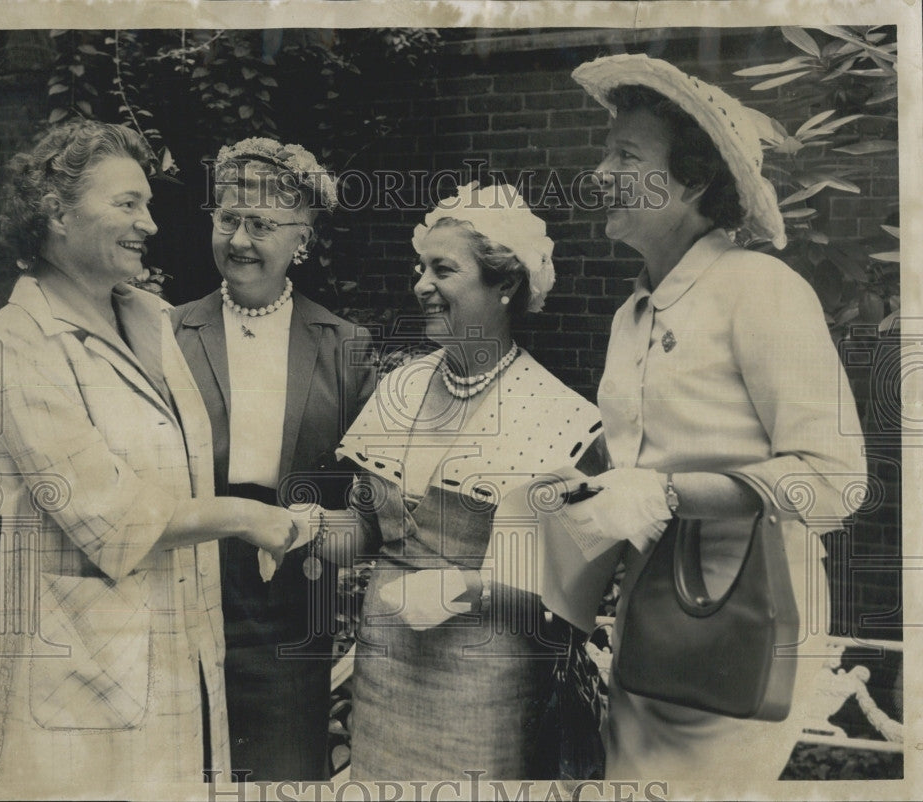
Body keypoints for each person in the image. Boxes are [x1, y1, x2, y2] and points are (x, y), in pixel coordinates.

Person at [563, 54, 868, 782]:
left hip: (742, 619)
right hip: (651, 623)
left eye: (625, 155)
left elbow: (834, 480)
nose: (599, 172)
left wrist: (670, 493)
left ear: (694, 180)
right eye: (606, 151)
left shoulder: (759, 288)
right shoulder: (632, 314)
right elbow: (634, 471)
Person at [0, 120, 297, 785]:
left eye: (147, 204)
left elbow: (183, 474)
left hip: (182, 655)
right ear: (55, 211)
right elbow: (112, 519)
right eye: (127, 203)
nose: (149, 224)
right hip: (81, 680)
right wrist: (247, 517)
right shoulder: (18, 341)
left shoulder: (152, 318)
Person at [308, 182, 605, 779]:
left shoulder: (561, 419)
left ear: (506, 285)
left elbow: (575, 598)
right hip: (383, 680)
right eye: (420, 268)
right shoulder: (400, 389)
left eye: (442, 269)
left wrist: (464, 591)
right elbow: (366, 529)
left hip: (486, 692)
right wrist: (305, 530)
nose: (421, 285)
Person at [171, 137, 376, 780]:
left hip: (293, 589)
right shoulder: (167, 332)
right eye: (228, 218)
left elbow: (368, 501)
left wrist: (311, 530)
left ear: (302, 243)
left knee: (283, 773)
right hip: (185, 577)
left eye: (261, 225)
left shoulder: (344, 346)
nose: (240, 239)